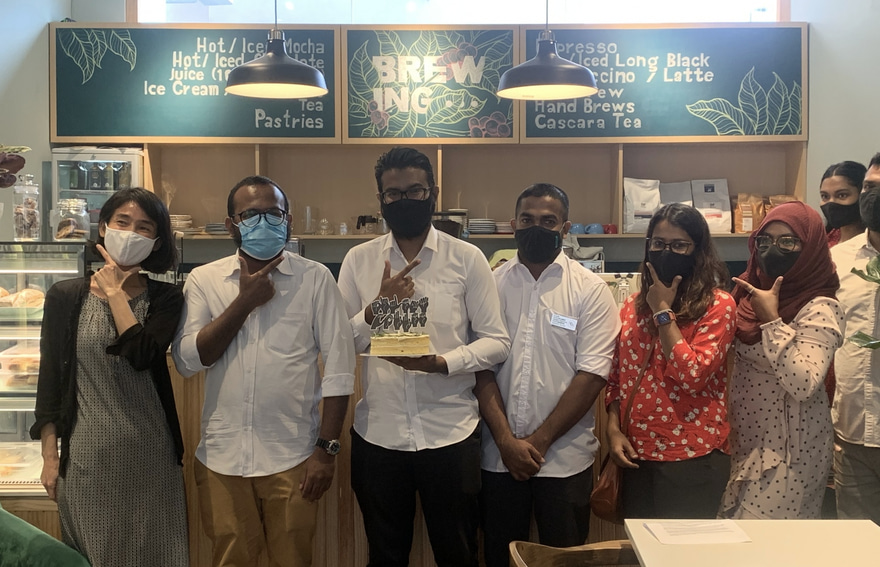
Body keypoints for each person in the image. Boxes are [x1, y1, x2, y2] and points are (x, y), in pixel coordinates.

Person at [337, 147, 510, 567]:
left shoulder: (466, 259)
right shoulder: (359, 260)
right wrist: (379, 307)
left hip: (451, 434)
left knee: (459, 555)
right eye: (393, 194)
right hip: (379, 435)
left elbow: (497, 341)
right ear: (380, 199)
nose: (404, 200)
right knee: (385, 556)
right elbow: (340, 344)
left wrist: (442, 363)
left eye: (415, 191)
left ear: (433, 192)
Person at [172, 175, 355, 566]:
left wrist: (326, 452)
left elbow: (340, 370)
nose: (264, 222)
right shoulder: (204, 279)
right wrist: (243, 303)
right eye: (251, 215)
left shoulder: (315, 279)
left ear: (289, 221)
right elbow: (188, 361)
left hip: (294, 457)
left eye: (274, 213)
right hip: (222, 459)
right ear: (231, 225)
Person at [31, 187, 188, 566]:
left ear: (156, 242)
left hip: (151, 455)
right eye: (123, 222)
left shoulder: (167, 298)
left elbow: (141, 355)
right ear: (103, 227)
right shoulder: (65, 296)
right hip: (87, 460)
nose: (131, 233)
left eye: (144, 228)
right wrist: (50, 457)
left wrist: (116, 292)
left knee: (158, 556)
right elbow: (50, 380)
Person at [475, 184, 619, 567]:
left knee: (566, 560)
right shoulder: (490, 286)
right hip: (497, 458)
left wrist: (536, 443)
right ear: (513, 225)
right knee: (499, 558)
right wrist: (506, 441)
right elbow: (480, 368)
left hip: (565, 461)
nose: (536, 227)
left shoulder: (591, 290)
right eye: (527, 220)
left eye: (548, 221)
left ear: (565, 228)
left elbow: (592, 375)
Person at [604, 203, 734, 519]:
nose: (666, 252)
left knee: (685, 547)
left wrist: (663, 312)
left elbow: (693, 376)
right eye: (659, 243)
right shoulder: (633, 306)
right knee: (639, 546)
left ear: (698, 250)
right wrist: (613, 430)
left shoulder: (718, 305)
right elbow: (617, 378)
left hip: (693, 456)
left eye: (679, 245)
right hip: (635, 455)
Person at [718, 201, 842, 519]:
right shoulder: (745, 294)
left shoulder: (821, 307)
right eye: (765, 240)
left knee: (770, 543)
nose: (773, 250)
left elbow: (804, 384)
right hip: (742, 440)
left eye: (788, 241)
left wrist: (772, 321)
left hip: (790, 452)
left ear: (810, 247)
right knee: (734, 538)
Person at [832, 152, 880, 525]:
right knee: (855, 544)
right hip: (851, 434)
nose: (871, 196)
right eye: (868, 187)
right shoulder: (838, 259)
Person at [820, 161, 866, 247]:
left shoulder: (873, 244)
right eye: (825, 196)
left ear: (862, 195)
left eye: (842, 195)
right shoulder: (821, 242)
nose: (831, 202)